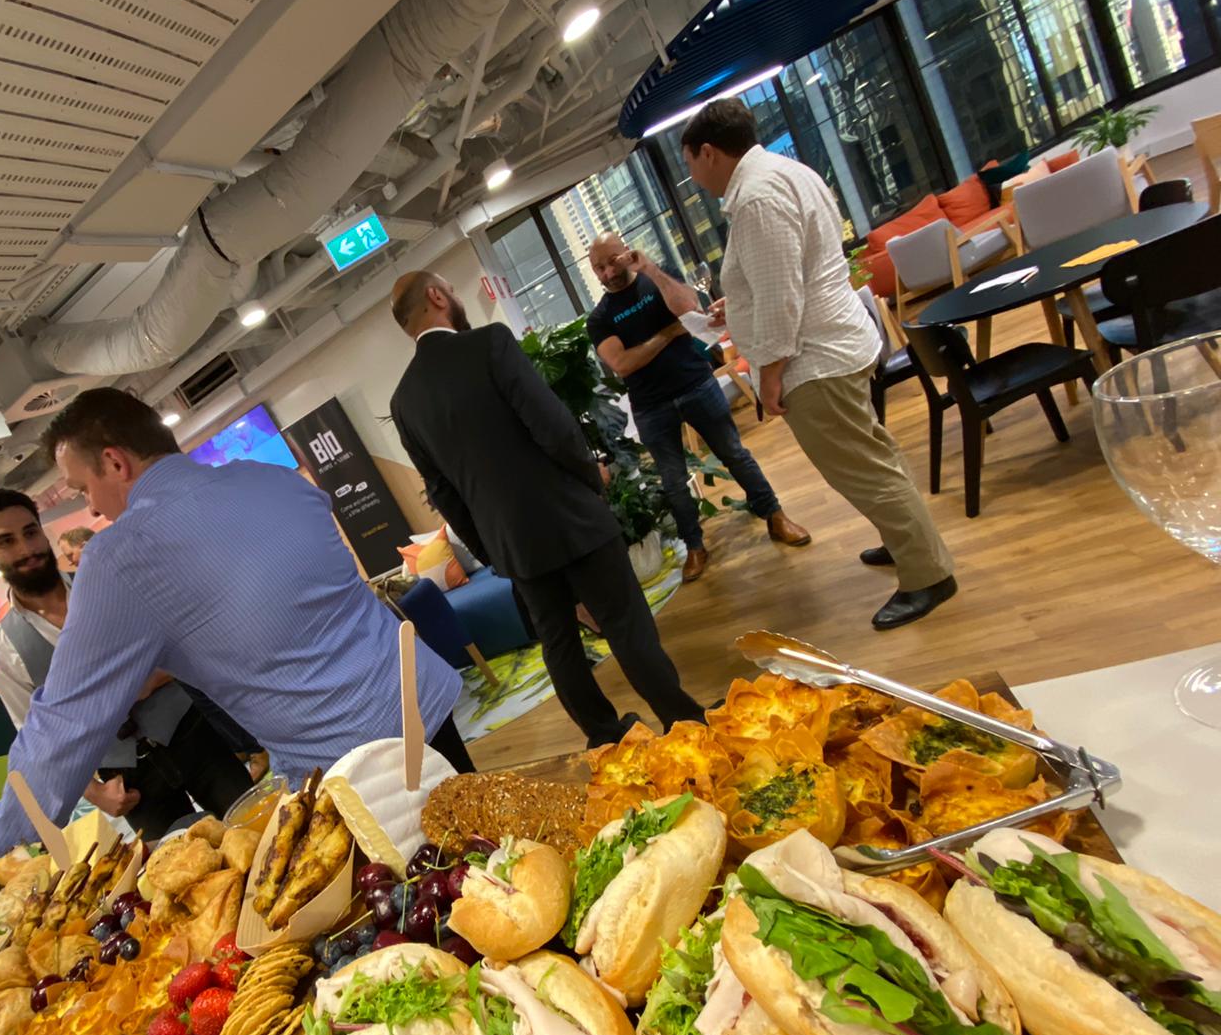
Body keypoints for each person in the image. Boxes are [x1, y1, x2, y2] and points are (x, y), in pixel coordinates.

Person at [0, 389, 468, 857]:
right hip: (420, 698)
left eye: (83, 488)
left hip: (356, 768)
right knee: (501, 865)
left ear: (116, 462)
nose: (91, 507)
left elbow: (63, 727)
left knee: (441, 916)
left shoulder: (122, 557)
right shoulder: (270, 478)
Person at [388, 270, 708, 748]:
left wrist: (492, 551)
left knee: (558, 645)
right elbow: (553, 426)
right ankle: (683, 722)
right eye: (452, 290)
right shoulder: (490, 343)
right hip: (570, 514)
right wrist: (591, 481)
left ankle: (604, 737)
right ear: (437, 296)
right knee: (624, 623)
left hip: (513, 545)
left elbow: (443, 492)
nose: (456, 297)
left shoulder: (404, 401)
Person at [681, 98, 957, 630]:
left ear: (709, 152)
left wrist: (769, 375)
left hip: (815, 358)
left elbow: (785, 297)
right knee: (873, 456)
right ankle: (908, 543)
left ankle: (927, 575)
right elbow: (792, 273)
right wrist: (735, 306)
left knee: (862, 469)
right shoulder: (785, 171)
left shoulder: (756, 197)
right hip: (838, 340)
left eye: (690, 163)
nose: (693, 178)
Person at [0, 488, 250, 839]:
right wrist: (94, 793)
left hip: (191, 732)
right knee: (179, 872)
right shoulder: (3, 648)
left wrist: (150, 679)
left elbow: (182, 643)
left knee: (255, 825)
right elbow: (38, 739)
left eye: (30, 532)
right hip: (127, 778)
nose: (26, 549)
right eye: (6, 541)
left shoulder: (108, 586)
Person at [585, 232, 811, 583]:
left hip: (696, 384)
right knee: (674, 482)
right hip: (650, 406)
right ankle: (695, 546)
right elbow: (624, 364)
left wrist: (651, 269)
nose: (605, 272)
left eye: (611, 260)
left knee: (735, 454)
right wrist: (667, 334)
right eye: (598, 267)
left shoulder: (654, 280)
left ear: (625, 252)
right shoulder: (599, 319)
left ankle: (775, 516)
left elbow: (690, 307)